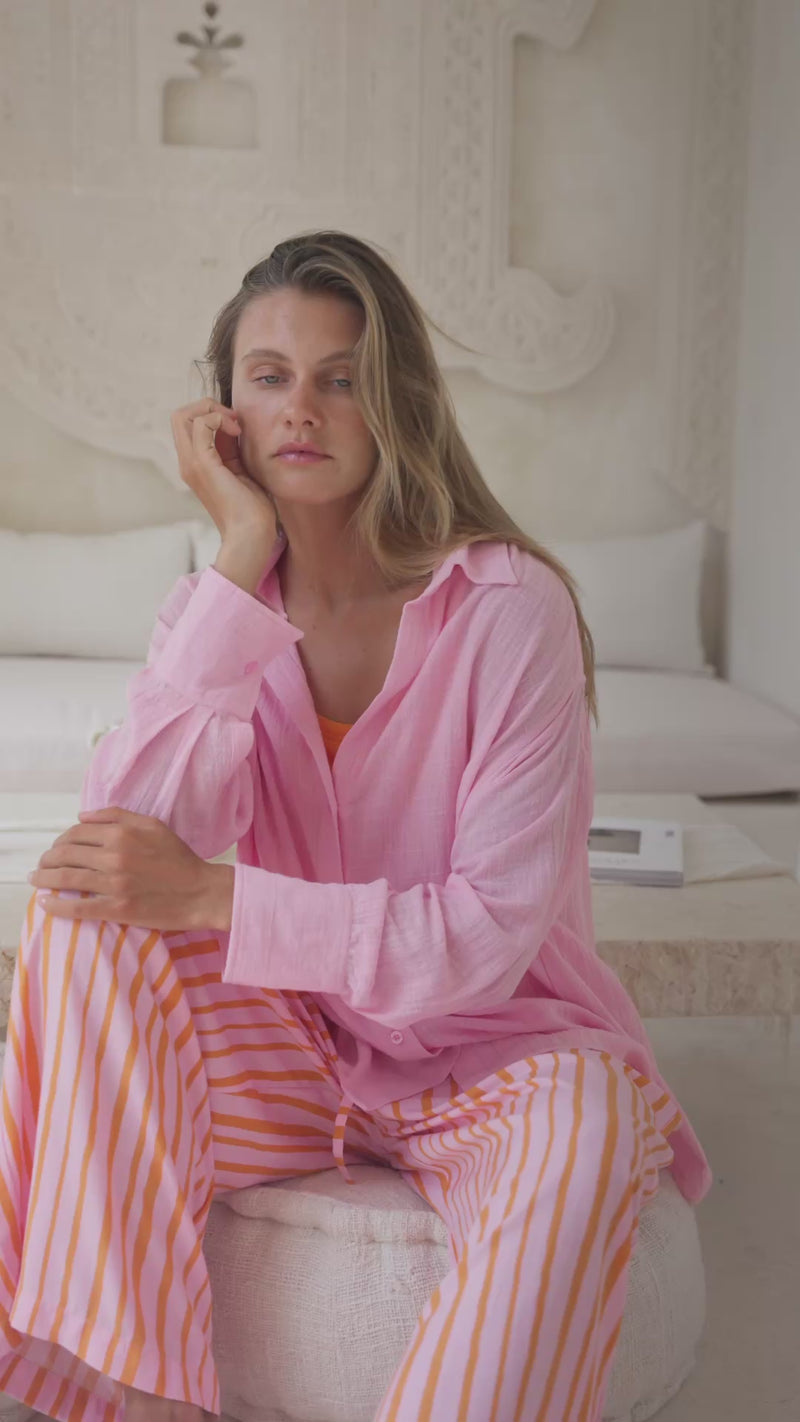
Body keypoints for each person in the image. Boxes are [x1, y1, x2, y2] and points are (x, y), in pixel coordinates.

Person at [0, 230, 713, 1422]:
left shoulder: (508, 608)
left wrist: (216, 895)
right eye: (269, 376)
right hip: (296, 1051)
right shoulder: (222, 607)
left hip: (500, 1056)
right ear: (224, 413)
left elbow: (483, 937)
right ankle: (139, 1403)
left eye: (340, 377)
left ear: (395, 401)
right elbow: (128, 840)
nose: (302, 408)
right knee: (83, 917)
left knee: (591, 1127)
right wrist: (239, 557)